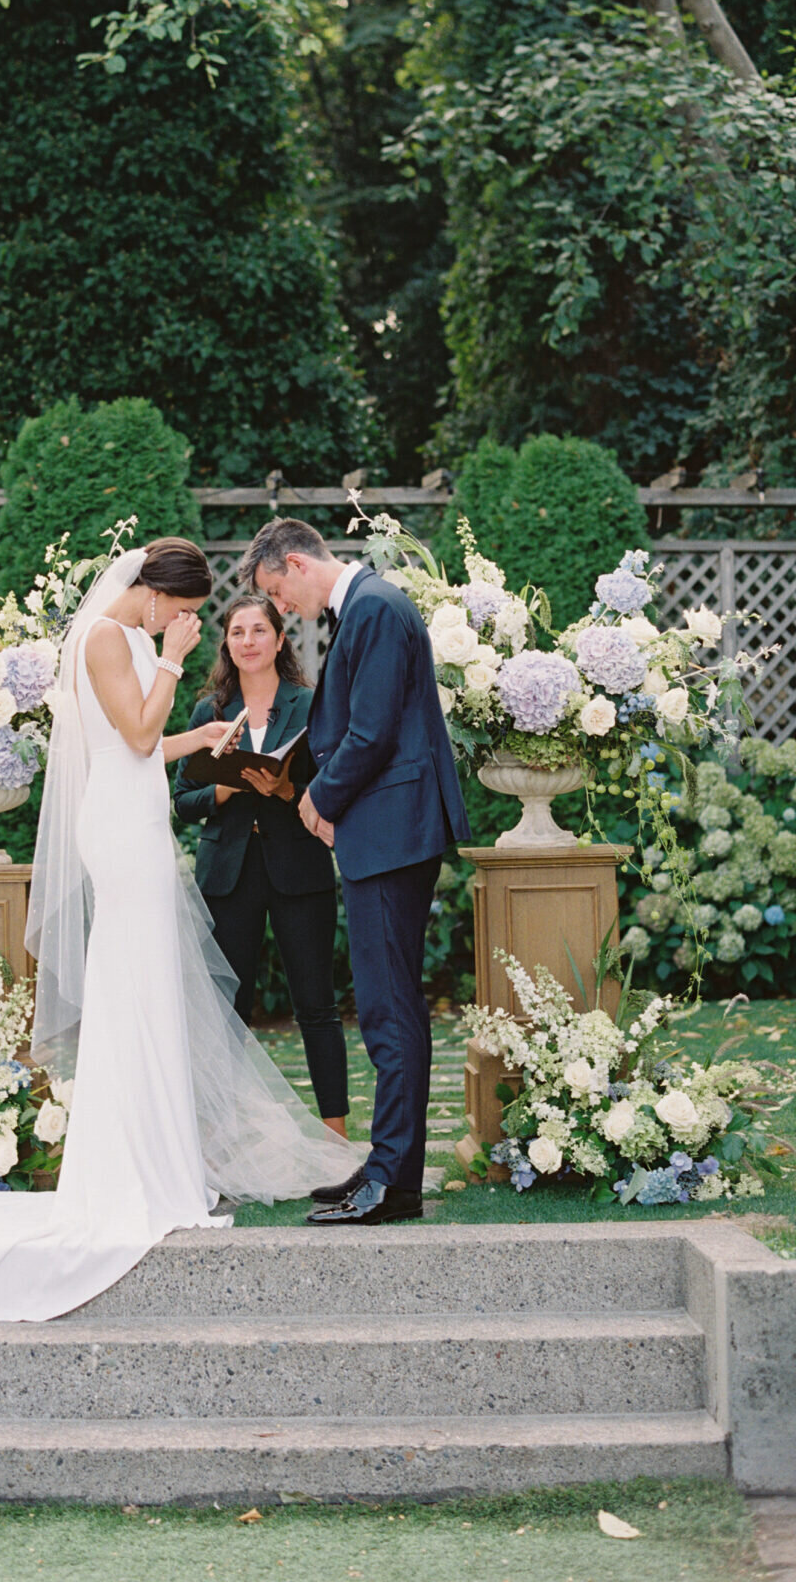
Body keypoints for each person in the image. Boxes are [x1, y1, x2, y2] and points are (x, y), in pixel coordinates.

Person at [0, 537, 355, 1320]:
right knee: (134, 983)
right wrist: (177, 662)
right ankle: (128, 1171)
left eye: (186, 619)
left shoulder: (123, 638)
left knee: (144, 985)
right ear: (153, 595)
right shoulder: (106, 638)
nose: (182, 625)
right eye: (181, 613)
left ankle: (157, 1159)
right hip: (121, 832)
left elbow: (141, 747)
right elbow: (142, 733)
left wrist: (204, 739)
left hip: (136, 812)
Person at [242, 516, 470, 1228]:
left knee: (387, 1008)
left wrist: (318, 796)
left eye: (277, 592)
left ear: (298, 564)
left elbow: (370, 732)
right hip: (386, 830)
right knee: (387, 1005)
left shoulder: (372, 608)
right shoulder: (369, 607)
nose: (281, 609)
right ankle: (387, 1168)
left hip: (392, 831)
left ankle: (393, 1183)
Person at [174, 593, 348, 1136]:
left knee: (316, 1005)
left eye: (258, 631)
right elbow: (181, 800)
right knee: (227, 1010)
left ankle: (337, 1132)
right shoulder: (210, 711)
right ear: (226, 644)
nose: (247, 642)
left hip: (299, 869)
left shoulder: (311, 703)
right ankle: (222, 1135)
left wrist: (286, 787)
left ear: (278, 638)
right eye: (237, 633)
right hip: (228, 874)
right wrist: (221, 794)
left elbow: (334, 786)